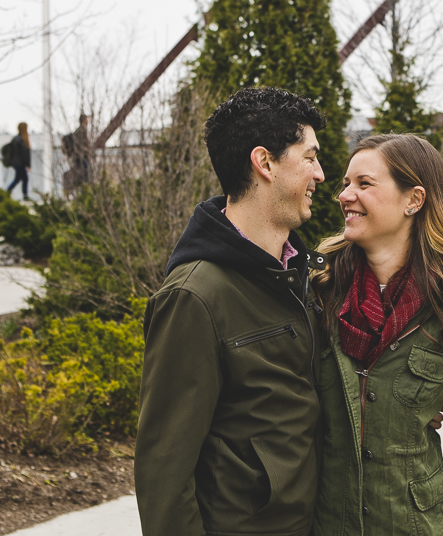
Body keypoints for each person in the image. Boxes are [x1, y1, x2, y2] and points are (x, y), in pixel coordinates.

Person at [134, 87, 328, 536]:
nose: (320, 172)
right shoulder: (194, 297)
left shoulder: (299, 276)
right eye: (310, 157)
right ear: (264, 163)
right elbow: (164, 471)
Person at [312, 133, 443, 535]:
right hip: (328, 521)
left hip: (417, 524)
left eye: (364, 184)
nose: (345, 195)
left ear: (413, 200)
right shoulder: (318, 290)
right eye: (346, 183)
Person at [5, 122, 31, 200]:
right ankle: (9, 193)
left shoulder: (16, 139)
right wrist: (28, 164)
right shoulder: (21, 140)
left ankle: (9, 193)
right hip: (20, 163)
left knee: (21, 179)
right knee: (20, 179)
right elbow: (25, 154)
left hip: (16, 163)